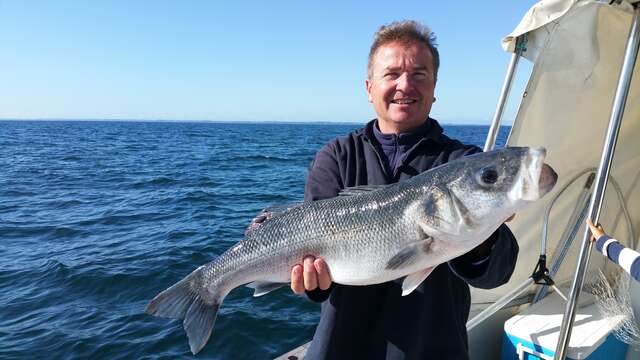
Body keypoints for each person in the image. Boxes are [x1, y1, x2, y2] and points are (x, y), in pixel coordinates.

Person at [281, 20, 520, 359]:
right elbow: (313, 275)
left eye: (419, 74)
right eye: (391, 74)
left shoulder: (465, 163)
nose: (405, 84)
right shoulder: (336, 156)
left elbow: (498, 273)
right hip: (340, 348)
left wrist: (485, 238)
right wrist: (309, 284)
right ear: (369, 87)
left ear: (435, 87)